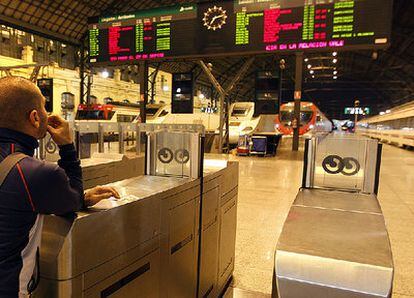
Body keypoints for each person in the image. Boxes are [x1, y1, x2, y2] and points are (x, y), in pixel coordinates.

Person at [0, 76, 120, 297]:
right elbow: (71, 201)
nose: (48, 113)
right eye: (45, 108)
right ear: (35, 118)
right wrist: (66, 145)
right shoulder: (36, 173)